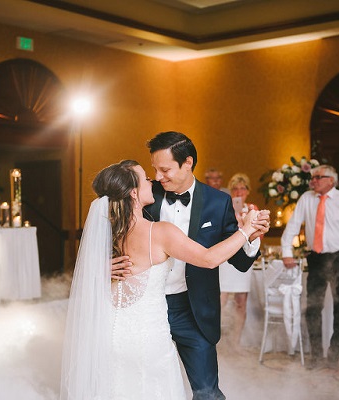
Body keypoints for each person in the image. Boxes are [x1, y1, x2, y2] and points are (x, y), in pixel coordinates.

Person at [60, 160, 264, 399]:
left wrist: (99, 270)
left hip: (113, 334)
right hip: (149, 338)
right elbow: (209, 259)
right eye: (146, 178)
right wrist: (246, 229)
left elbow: (90, 272)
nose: (153, 180)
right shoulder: (160, 232)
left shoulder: (108, 232)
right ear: (134, 192)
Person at [113, 131, 269, 399]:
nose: (158, 177)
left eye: (165, 170)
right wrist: (106, 264)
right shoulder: (146, 195)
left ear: (187, 163)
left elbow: (240, 262)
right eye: (154, 170)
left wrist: (251, 238)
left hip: (192, 309)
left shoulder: (217, 202)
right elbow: (114, 233)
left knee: (207, 391)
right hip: (145, 308)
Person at [281, 164, 339, 370]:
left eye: (318, 177)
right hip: (316, 259)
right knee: (313, 308)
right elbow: (292, 226)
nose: (313, 181)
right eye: (312, 177)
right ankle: (316, 357)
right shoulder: (306, 198)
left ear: (331, 180)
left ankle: (333, 359)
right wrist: (287, 252)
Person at [219, 173, 259, 349]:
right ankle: (218, 342)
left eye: (242, 188)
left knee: (241, 302)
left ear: (248, 191)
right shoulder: (224, 207)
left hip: (244, 258)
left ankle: (235, 343)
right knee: (221, 300)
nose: (239, 191)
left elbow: (259, 235)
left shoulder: (253, 210)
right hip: (226, 258)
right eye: (235, 188)